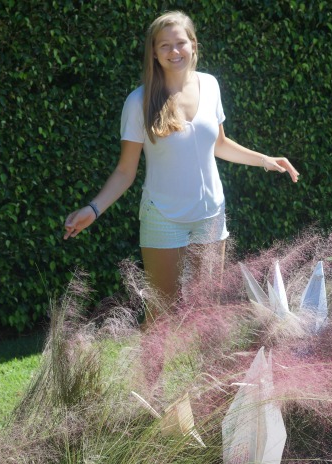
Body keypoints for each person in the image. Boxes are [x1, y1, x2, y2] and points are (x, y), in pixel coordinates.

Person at [63, 10, 299, 321]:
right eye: (164, 45)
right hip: (163, 217)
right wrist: (92, 210)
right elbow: (125, 171)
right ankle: (152, 373)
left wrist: (265, 160)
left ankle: (201, 373)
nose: (174, 51)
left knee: (206, 314)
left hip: (211, 216)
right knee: (161, 316)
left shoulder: (210, 85)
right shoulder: (139, 101)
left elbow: (219, 144)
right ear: (154, 53)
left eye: (180, 43)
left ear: (194, 45)